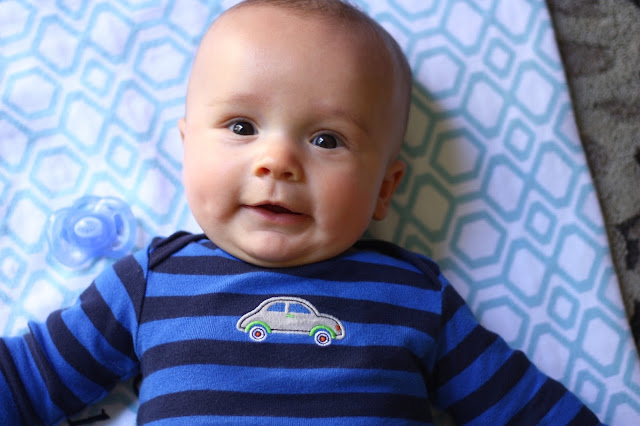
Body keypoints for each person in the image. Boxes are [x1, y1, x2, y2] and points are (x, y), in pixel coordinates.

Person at [0, 0, 604, 424]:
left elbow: (524, 409)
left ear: (385, 189)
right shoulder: (150, 283)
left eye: (326, 139)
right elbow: (28, 380)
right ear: (187, 150)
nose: (278, 161)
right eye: (242, 126)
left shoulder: (415, 296)